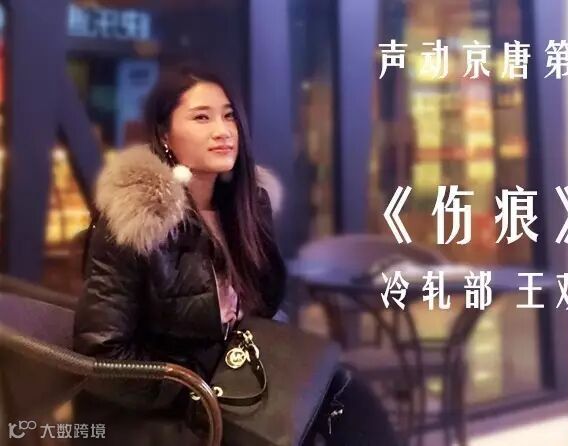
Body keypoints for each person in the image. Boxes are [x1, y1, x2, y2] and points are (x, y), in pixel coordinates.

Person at [72, 65, 398, 445]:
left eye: (229, 116)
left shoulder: (246, 207)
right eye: (202, 118)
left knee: (354, 402)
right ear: (164, 134)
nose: (223, 131)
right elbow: (103, 354)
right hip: (163, 410)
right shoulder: (136, 220)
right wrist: (199, 390)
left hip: (240, 380)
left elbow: (262, 308)